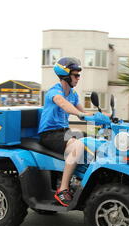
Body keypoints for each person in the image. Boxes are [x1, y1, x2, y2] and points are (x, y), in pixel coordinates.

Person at [38, 57, 97, 207]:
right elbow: (63, 104)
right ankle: (62, 189)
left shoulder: (73, 94)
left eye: (79, 75)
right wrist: (80, 114)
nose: (78, 78)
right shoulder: (55, 92)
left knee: (93, 142)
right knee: (77, 146)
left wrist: (104, 118)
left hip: (64, 132)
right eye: (75, 75)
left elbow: (83, 112)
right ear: (65, 76)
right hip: (49, 134)